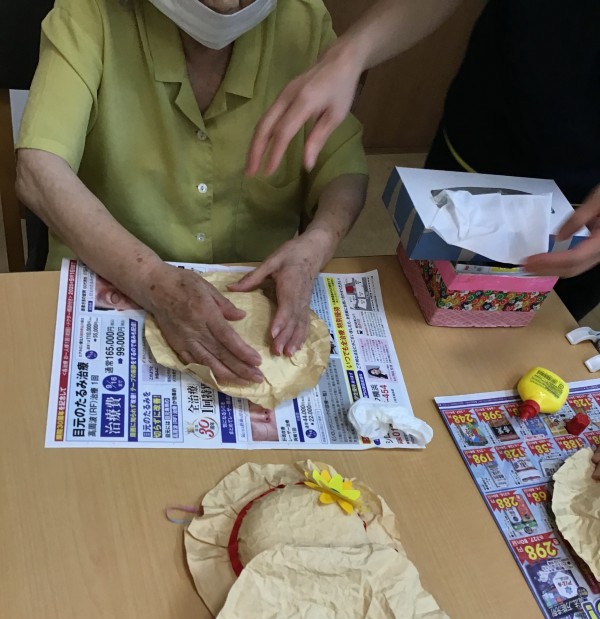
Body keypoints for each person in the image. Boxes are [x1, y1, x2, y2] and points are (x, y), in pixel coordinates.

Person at [16, 0, 368, 384]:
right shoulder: (90, 12)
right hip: (113, 279)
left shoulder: (303, 20)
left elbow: (343, 166)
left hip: (255, 303)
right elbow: (38, 169)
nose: (229, 3)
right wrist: (149, 277)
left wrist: (317, 243)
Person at [246, 0, 600, 321]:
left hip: (585, 206)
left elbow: (342, 165)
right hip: (480, 140)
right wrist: (352, 52)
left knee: (549, 326)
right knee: (425, 295)